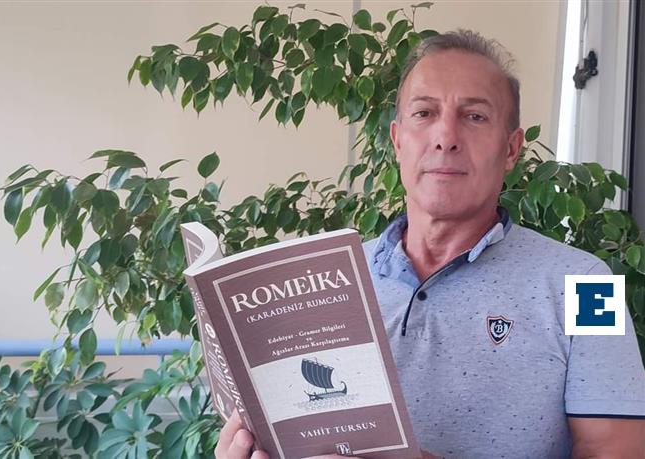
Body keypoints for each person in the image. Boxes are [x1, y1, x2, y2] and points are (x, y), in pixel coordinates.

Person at [215, 29, 645, 458]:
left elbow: (618, 452)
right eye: (424, 113)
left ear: (511, 149)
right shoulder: (322, 283)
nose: (445, 137)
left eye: (475, 116)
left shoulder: (591, 286)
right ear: (398, 140)